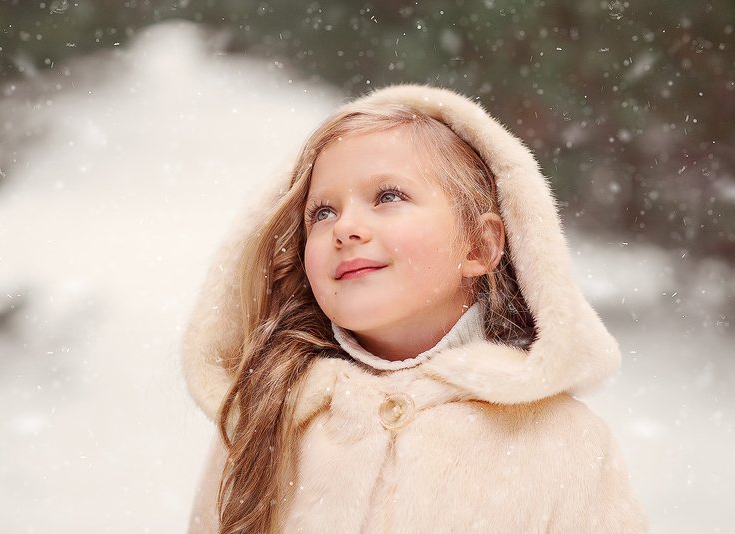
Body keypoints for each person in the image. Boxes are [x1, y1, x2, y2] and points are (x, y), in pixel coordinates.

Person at [182, 84, 647, 533]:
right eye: (323, 212)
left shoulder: (564, 443)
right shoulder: (267, 415)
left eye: (388, 197)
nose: (345, 228)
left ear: (479, 246)